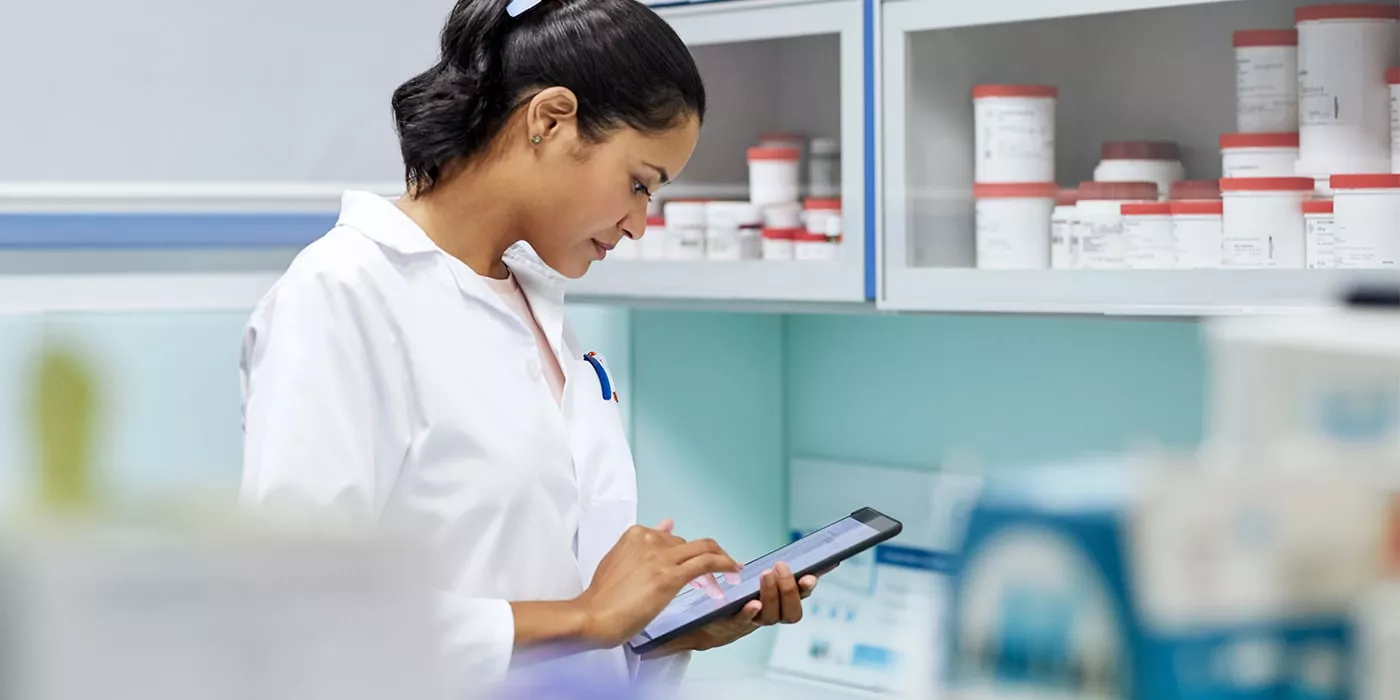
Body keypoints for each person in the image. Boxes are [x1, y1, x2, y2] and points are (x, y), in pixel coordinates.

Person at [238, 0, 822, 694]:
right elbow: (297, 614)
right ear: (549, 119)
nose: (638, 223)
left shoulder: (531, 300)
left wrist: (653, 633)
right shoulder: (344, 295)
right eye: (639, 183)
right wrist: (585, 617)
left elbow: (547, 594)